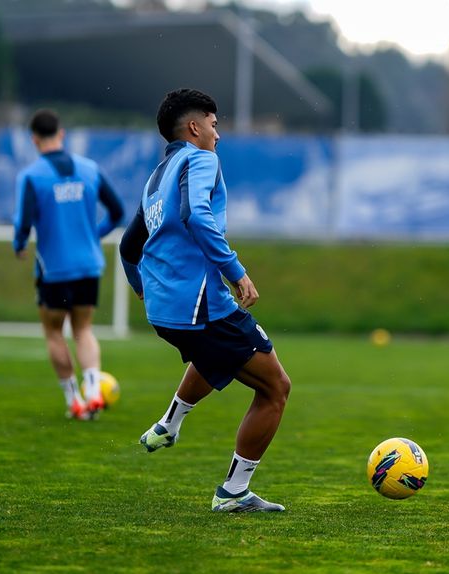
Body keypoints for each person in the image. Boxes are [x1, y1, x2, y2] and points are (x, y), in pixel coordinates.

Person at [119, 89, 291, 513]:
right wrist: (237, 271)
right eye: (214, 125)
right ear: (194, 127)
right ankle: (233, 493)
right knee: (276, 388)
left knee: (215, 351)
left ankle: (169, 424)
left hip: (166, 310)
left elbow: (127, 246)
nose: (218, 135)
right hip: (197, 303)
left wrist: (143, 287)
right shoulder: (200, 159)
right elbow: (197, 214)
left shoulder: (156, 177)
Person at [13, 109, 125, 421]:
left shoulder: (31, 176)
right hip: (89, 265)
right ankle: (93, 393)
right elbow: (118, 211)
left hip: (54, 269)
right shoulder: (90, 169)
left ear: (35, 140)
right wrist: (94, 235)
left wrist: (19, 245)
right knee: (84, 329)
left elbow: (22, 222)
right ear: (61, 134)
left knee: (54, 332)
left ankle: (74, 400)